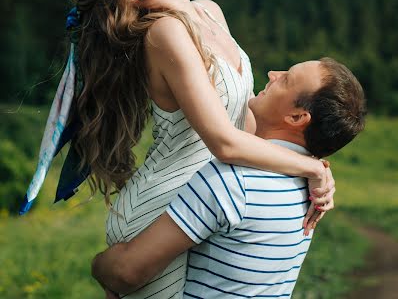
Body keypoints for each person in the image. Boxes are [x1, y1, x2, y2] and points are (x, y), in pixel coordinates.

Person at [63, 0, 334, 298]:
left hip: (200, 204)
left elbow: (244, 121)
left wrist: (312, 168)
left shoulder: (209, 12)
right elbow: (224, 142)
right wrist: (312, 168)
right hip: (161, 206)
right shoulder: (165, 32)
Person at [91, 57, 366, 299]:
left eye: (286, 79)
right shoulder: (311, 190)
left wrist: (99, 264)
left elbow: (127, 272)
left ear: (296, 117)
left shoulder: (233, 182)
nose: (273, 74)